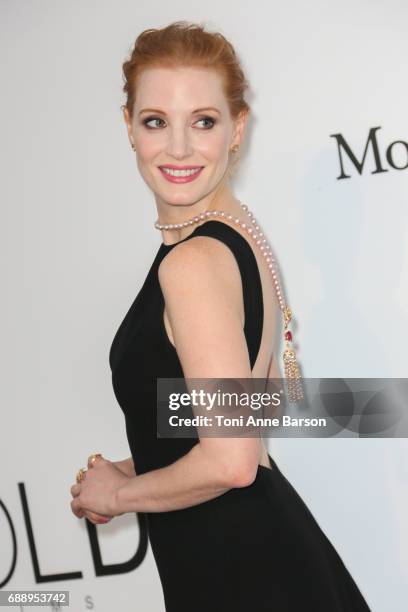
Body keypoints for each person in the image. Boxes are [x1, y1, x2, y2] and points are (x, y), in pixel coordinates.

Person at [70, 21, 372, 611]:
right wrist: (134, 468)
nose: (179, 148)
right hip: (262, 557)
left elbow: (231, 459)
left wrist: (124, 494)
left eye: (203, 121)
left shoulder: (193, 263)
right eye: (156, 121)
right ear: (128, 127)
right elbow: (233, 428)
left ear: (237, 129)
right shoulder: (238, 237)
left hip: (241, 571)